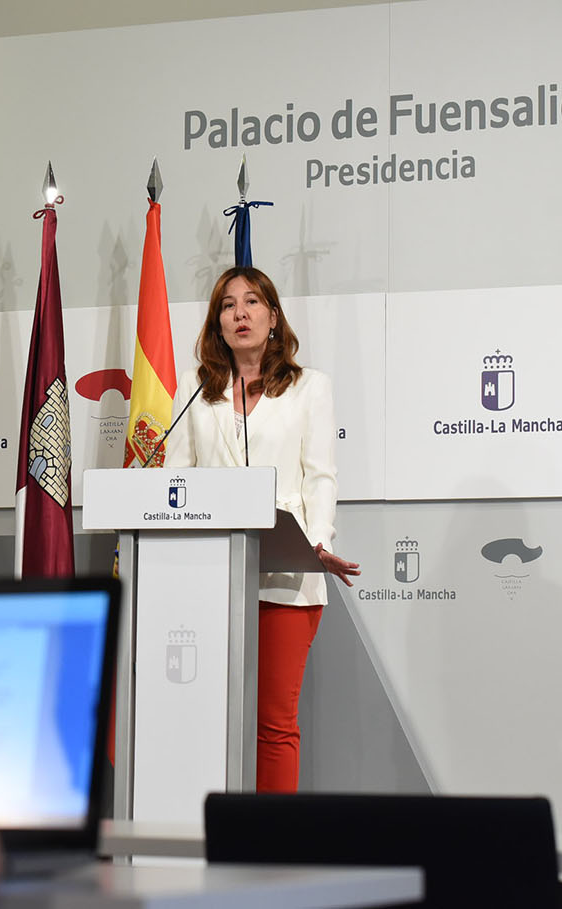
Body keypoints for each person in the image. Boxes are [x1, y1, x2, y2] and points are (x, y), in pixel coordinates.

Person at [165, 265, 360, 792]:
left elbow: (320, 476)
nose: (240, 313)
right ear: (217, 324)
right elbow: (174, 478)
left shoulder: (308, 388)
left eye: (252, 302)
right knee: (206, 721)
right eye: (228, 306)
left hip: (286, 577)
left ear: (273, 317)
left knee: (274, 726)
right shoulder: (193, 390)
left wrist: (317, 543)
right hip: (211, 578)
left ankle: (274, 852)